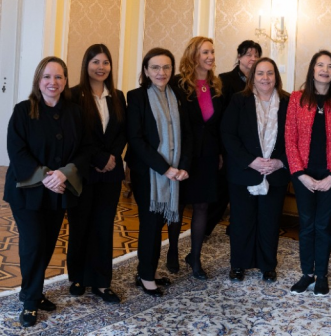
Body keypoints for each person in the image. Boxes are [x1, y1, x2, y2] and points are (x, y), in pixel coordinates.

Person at [6, 57, 91, 327]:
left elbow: (85, 149)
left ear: (65, 81)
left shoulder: (75, 112)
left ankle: (32, 290)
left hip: (59, 188)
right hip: (27, 190)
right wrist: (46, 176)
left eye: (58, 77)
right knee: (33, 244)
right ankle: (31, 302)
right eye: (46, 76)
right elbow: (17, 151)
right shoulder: (23, 110)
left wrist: (64, 174)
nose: (52, 82)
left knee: (47, 244)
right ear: (38, 80)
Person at [284, 50, 331, 295]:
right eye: (320, 65)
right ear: (312, 69)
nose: (325, 70)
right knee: (306, 225)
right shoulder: (297, 98)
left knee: (323, 226)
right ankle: (307, 273)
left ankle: (321, 274)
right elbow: (289, 138)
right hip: (302, 174)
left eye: (330, 66)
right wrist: (300, 174)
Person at [126, 48, 192, 298]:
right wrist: (166, 169)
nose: (161, 72)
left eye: (166, 67)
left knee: (160, 223)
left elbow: (188, 134)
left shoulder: (178, 95)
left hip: (176, 172)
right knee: (151, 224)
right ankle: (145, 276)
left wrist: (183, 166)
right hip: (148, 173)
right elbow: (136, 139)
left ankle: (148, 271)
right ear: (146, 70)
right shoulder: (136, 97)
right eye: (155, 67)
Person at [65, 44, 126, 304]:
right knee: (80, 225)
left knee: (103, 226)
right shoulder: (73, 95)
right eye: (95, 62)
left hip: (111, 173)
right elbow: (75, 135)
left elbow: (122, 131)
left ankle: (102, 282)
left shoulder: (118, 96)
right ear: (86, 65)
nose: (101, 67)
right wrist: (99, 158)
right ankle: (78, 277)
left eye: (105, 62)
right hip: (84, 172)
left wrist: (112, 156)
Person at [221, 57, 291, 283]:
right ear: (252, 77)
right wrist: (251, 161)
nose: (265, 78)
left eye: (270, 73)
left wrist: (280, 162)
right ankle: (238, 264)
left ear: (276, 77)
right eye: (260, 73)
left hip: (275, 173)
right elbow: (228, 135)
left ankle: (267, 265)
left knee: (269, 222)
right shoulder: (239, 100)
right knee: (242, 221)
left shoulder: (288, 102)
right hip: (244, 172)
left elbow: (296, 139)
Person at [167, 36, 225, 280]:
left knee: (202, 206)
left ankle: (195, 257)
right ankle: (172, 250)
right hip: (183, 155)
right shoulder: (178, 84)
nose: (210, 57)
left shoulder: (216, 86)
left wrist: (219, 152)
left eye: (212, 52)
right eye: (205, 52)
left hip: (208, 155)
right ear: (194, 56)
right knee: (178, 205)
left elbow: (219, 125)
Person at [208, 40, 263, 238]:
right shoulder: (225, 80)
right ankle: (204, 230)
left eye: (256, 55)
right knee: (222, 193)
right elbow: (219, 117)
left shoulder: (261, 81)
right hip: (229, 145)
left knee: (244, 194)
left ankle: (236, 229)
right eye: (248, 54)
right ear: (239, 57)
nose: (252, 59)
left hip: (251, 149)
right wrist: (220, 150)